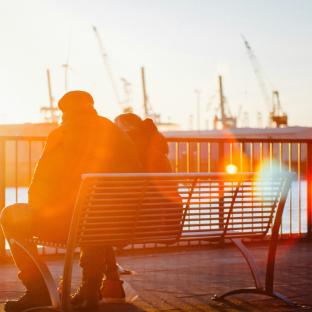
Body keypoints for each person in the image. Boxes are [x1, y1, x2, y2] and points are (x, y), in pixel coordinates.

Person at [0, 91, 141, 311]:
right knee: (94, 216)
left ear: (64, 111)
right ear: (91, 106)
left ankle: (38, 291)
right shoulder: (116, 133)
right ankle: (90, 288)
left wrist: (38, 211)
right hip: (119, 223)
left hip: (76, 224)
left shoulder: (63, 134)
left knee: (10, 215)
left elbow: (42, 184)